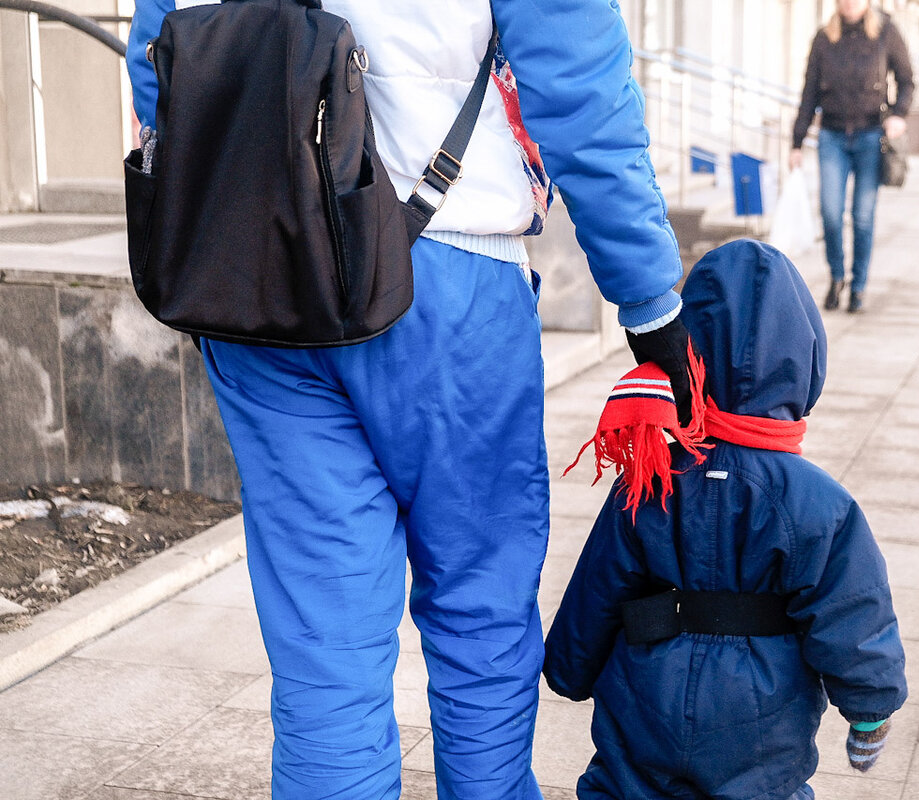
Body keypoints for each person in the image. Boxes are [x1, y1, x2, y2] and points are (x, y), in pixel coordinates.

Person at [125, 1, 694, 797]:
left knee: (325, 648)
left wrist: (206, 232)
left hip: (266, 289)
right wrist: (649, 301)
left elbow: (163, 59)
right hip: (451, 275)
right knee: (479, 612)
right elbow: (578, 86)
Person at [544, 239, 907, 800]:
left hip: (647, 697)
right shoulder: (818, 503)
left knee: (624, 787)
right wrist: (870, 707)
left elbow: (601, 582)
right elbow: (851, 609)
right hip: (764, 714)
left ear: (687, 354)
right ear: (806, 363)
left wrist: (569, 667)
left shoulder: (650, 475)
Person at [789, 0, 914, 314]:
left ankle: (858, 287)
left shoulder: (885, 32)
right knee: (831, 214)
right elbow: (808, 94)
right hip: (831, 137)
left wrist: (899, 114)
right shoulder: (823, 38)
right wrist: (796, 142)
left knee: (862, 216)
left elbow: (907, 80)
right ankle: (837, 277)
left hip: (871, 137)